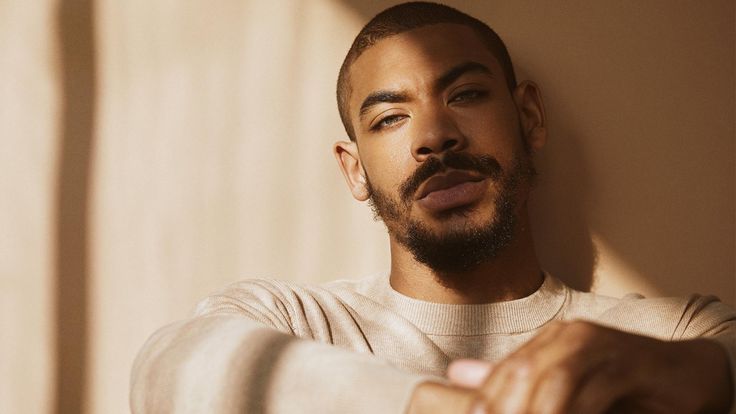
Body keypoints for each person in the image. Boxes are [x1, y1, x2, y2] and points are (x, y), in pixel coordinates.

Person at [130, 2, 735, 413]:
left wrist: (684, 373)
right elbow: (164, 370)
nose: (433, 136)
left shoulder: (667, 335)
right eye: (390, 118)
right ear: (354, 168)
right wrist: (435, 404)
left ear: (528, 118)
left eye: (466, 94)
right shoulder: (297, 321)